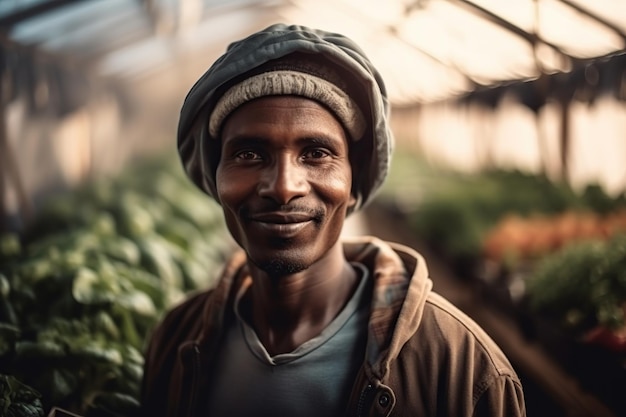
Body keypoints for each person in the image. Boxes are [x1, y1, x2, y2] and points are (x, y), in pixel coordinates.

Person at [139, 23, 526, 417]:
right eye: (249, 154)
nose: (284, 187)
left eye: (316, 153)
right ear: (215, 176)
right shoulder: (177, 341)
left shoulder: (462, 371)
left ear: (354, 182)